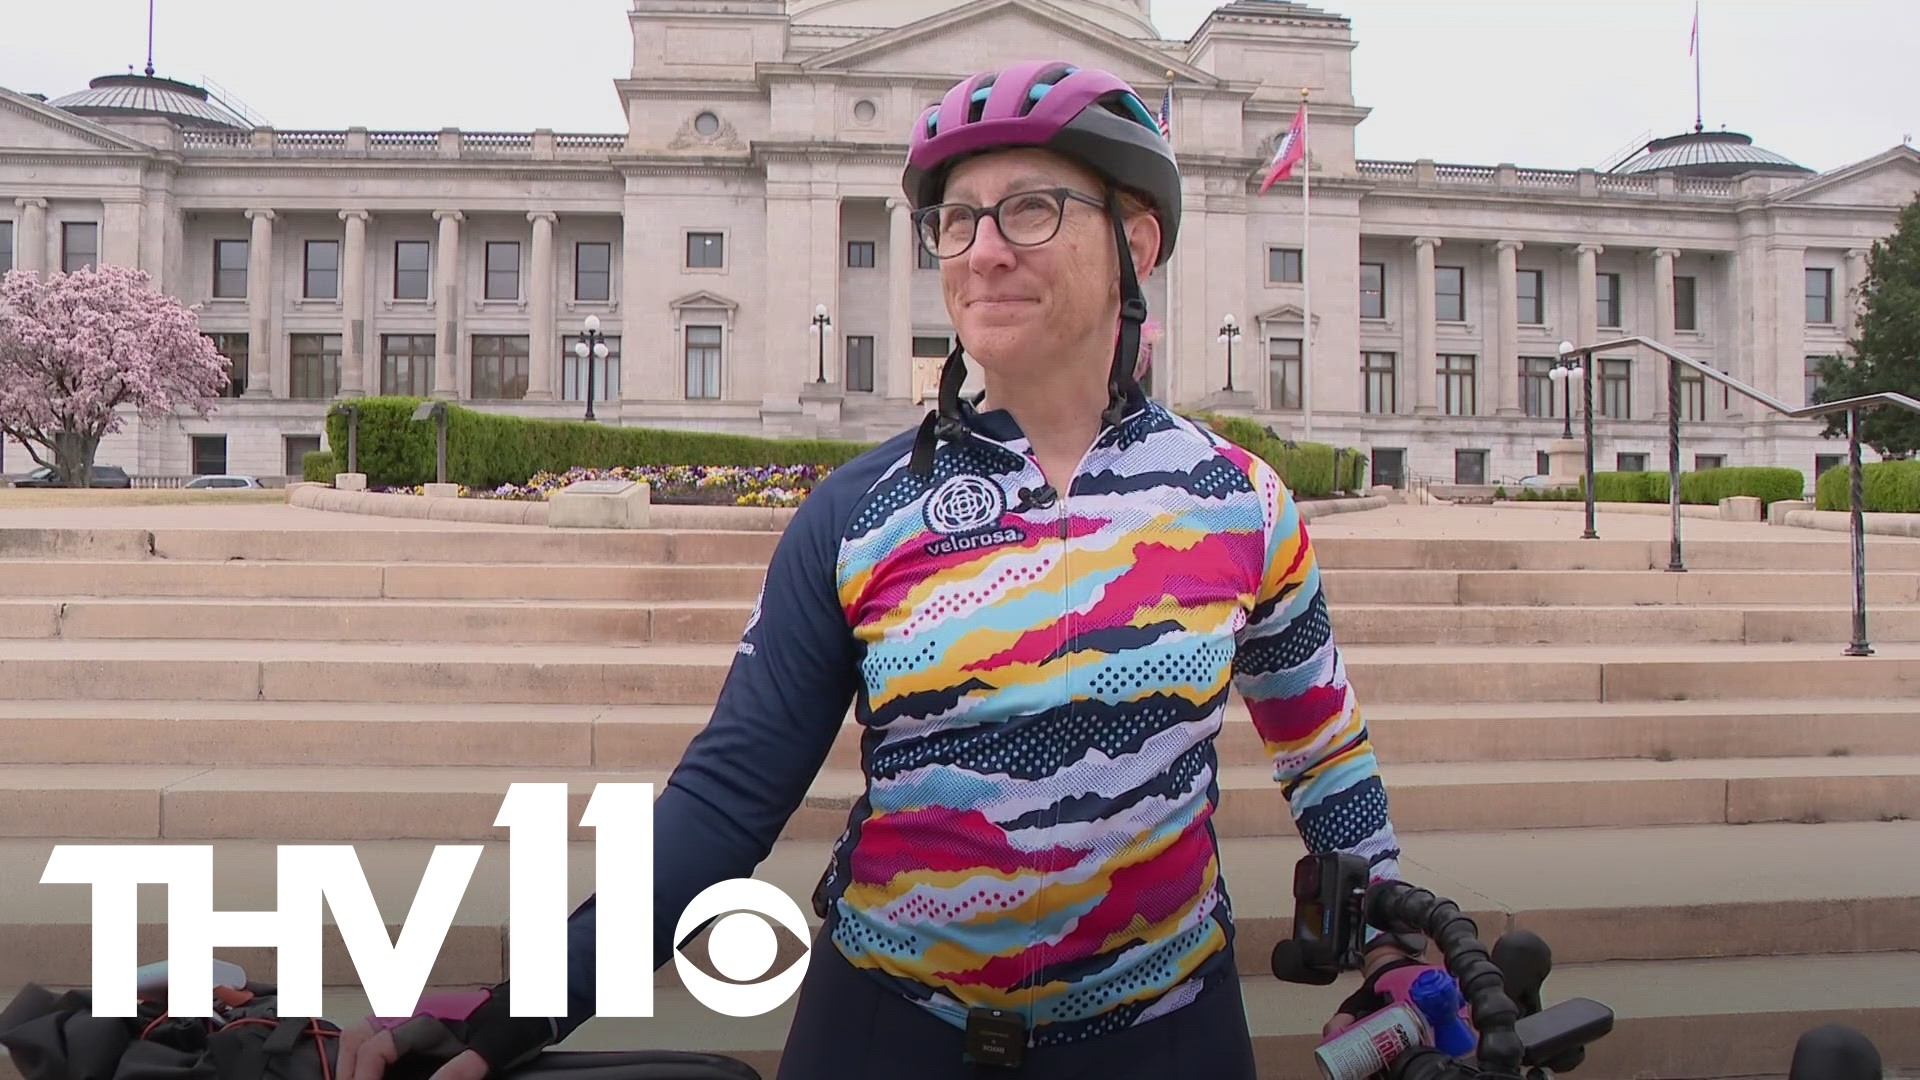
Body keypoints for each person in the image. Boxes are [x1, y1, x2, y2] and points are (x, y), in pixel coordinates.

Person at [341, 60, 1427, 1080]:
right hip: (886, 1032)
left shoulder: (1240, 500)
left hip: (1165, 1037)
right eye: (957, 220)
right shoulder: (858, 512)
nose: (983, 250)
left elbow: (1325, 756)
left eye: (1031, 210)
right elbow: (723, 809)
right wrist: (513, 1010)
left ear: (1137, 246)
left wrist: (1393, 945)